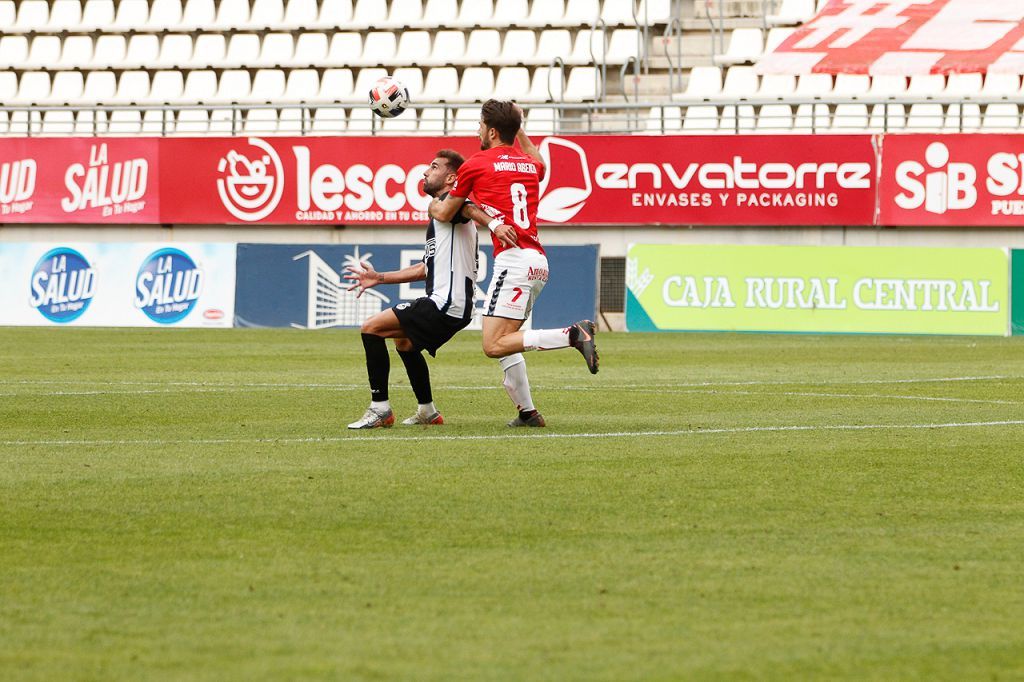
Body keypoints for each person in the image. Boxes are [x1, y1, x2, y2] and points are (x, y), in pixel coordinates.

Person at [428, 99, 598, 428]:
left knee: (493, 344)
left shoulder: (476, 164)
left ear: (492, 131)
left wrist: (449, 204)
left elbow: (446, 212)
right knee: (507, 339)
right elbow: (538, 161)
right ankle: (528, 412)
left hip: (513, 260)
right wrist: (519, 127)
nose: (477, 130)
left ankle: (572, 335)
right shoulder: (529, 165)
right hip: (537, 262)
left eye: (480, 125)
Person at [343, 149, 490, 430]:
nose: (425, 171)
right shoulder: (443, 213)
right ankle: (428, 412)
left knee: (371, 328)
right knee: (405, 344)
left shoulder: (452, 203)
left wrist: (494, 223)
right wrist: (380, 277)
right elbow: (425, 268)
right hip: (453, 304)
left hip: (446, 303)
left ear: (451, 178)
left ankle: (380, 409)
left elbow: (470, 208)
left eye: (433, 167)